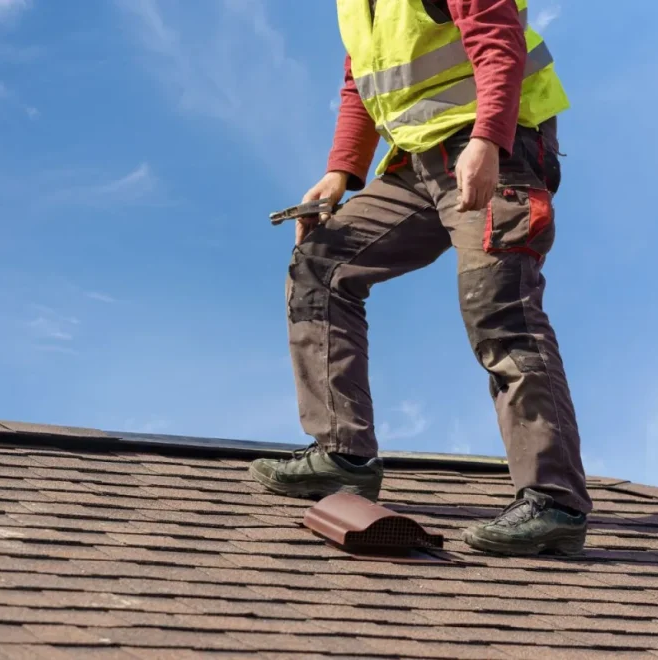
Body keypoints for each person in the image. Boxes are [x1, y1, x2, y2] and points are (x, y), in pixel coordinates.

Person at [249, 0, 593, 556]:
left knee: (499, 309)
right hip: (419, 167)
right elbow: (360, 81)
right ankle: (343, 455)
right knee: (321, 264)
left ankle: (555, 503)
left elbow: (499, 41)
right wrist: (341, 171)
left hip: (497, 151)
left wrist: (488, 138)